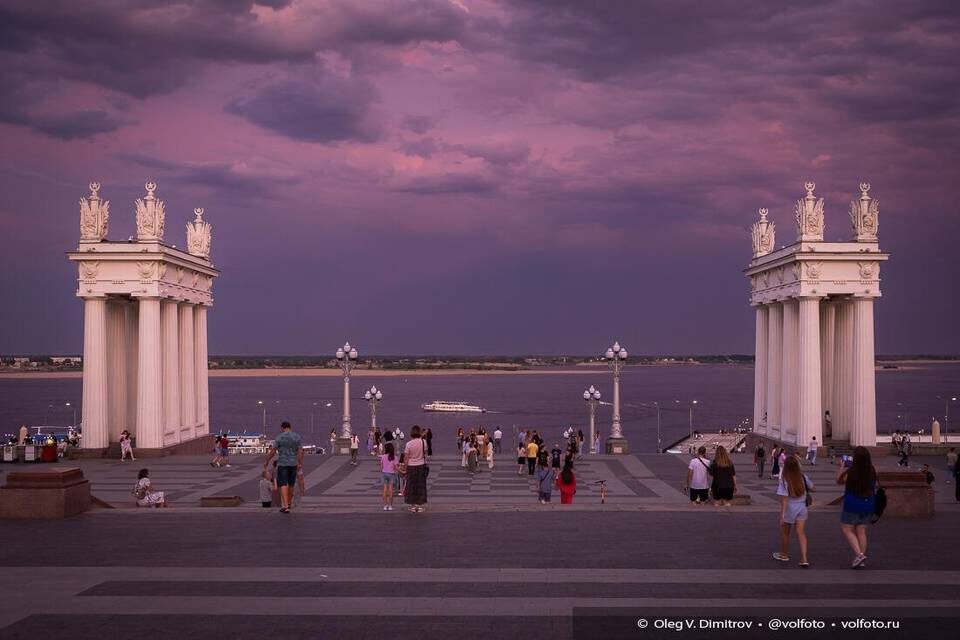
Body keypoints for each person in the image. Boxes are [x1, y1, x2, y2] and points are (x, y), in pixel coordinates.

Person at [836, 446, 878, 568]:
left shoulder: (851, 472)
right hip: (868, 504)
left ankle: (859, 555)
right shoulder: (872, 470)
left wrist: (842, 467)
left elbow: (838, 480)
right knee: (861, 531)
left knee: (847, 529)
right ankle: (861, 559)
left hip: (852, 504)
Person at [773, 456, 813, 567]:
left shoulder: (785, 480)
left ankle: (784, 554)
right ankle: (804, 559)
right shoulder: (803, 477)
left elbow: (784, 499)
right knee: (801, 533)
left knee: (786, 533)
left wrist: (782, 515)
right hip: (802, 508)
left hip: (790, 509)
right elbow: (813, 487)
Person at [263, 421, 303, 514]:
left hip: (282, 464)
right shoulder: (297, 437)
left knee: (283, 484)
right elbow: (300, 451)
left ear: (282, 428)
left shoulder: (279, 437)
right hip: (293, 463)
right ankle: (289, 503)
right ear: (290, 427)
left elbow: (273, 451)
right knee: (291, 484)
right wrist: (300, 463)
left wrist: (267, 460)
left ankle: (285, 506)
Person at [404, 425, 428, 513]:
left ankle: (412, 505)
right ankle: (419, 505)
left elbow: (406, 457)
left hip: (411, 466)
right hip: (421, 465)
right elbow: (425, 454)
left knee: (411, 486)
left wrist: (404, 467)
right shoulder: (423, 442)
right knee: (420, 486)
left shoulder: (408, 444)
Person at [380, 442, 398, 511]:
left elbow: (381, 466)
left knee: (385, 489)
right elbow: (396, 467)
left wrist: (382, 471)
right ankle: (390, 505)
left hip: (384, 473)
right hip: (391, 474)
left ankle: (385, 505)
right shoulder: (394, 457)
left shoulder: (383, 456)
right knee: (391, 490)